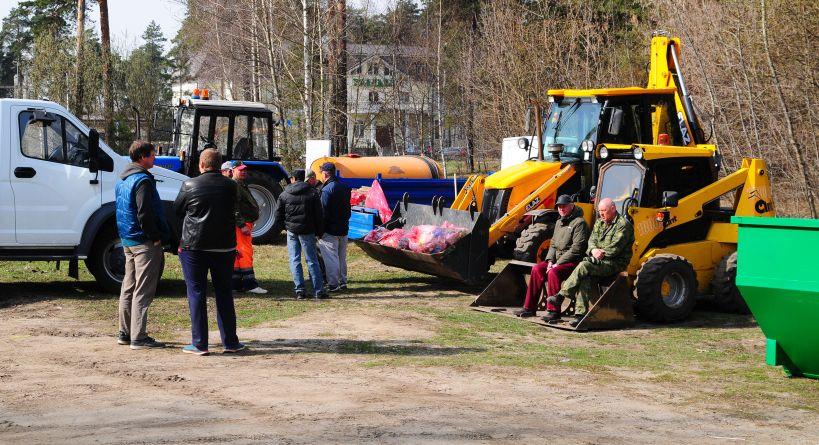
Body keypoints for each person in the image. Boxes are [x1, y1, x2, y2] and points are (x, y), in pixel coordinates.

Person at [174, 148, 246, 355]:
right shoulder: (231, 187)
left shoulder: (189, 184)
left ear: (201, 165)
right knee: (224, 293)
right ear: (219, 164)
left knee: (196, 292)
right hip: (224, 246)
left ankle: (199, 343)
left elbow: (178, 210)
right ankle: (230, 342)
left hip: (194, 246)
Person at [115, 140, 171, 350]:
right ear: (142, 157)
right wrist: (155, 236)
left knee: (128, 286)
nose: (154, 158)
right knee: (143, 289)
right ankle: (138, 336)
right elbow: (145, 213)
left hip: (128, 239)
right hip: (143, 241)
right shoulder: (142, 181)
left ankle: (124, 332)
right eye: (151, 155)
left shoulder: (123, 179)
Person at [553, 198, 635, 327]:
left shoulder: (623, 225)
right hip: (599, 261)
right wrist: (593, 250)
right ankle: (580, 316)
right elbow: (591, 241)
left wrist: (594, 255)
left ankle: (561, 296)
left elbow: (614, 249)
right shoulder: (599, 223)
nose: (602, 214)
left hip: (614, 264)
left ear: (613, 209)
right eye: (600, 211)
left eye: (604, 211)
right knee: (585, 275)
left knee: (584, 265)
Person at [514, 195, 588, 321]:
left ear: (571, 206)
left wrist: (557, 263)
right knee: (537, 269)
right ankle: (529, 308)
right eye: (559, 206)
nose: (561, 209)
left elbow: (577, 249)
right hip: (557, 262)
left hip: (573, 262)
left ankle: (554, 311)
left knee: (554, 273)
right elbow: (553, 244)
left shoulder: (580, 223)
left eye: (564, 206)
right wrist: (549, 261)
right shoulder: (559, 222)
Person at [273, 167, 327, 300]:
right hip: (308, 231)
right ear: (304, 178)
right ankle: (319, 291)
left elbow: (277, 215)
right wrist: (320, 232)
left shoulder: (284, 194)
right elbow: (319, 216)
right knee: (312, 261)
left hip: (291, 231)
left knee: (294, 260)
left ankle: (300, 290)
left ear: (292, 179)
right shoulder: (313, 193)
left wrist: (285, 227)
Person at [221, 160, 266, 294]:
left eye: (244, 169)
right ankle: (250, 284)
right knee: (245, 252)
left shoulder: (240, 184)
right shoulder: (235, 185)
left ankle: (235, 284)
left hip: (243, 224)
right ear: (232, 171)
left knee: (238, 253)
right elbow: (233, 207)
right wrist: (241, 225)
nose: (243, 171)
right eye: (240, 169)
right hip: (242, 225)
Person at [317, 162, 351, 292]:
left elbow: (323, 212)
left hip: (330, 229)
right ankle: (343, 282)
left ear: (325, 173)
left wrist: (320, 230)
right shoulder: (344, 186)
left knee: (331, 258)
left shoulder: (326, 189)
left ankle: (333, 284)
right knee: (341, 257)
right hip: (343, 227)